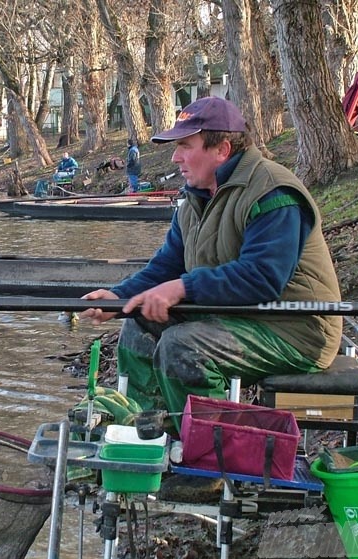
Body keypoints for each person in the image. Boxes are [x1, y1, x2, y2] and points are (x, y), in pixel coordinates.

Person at [81, 96, 342, 432]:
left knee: (183, 347)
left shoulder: (273, 191)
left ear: (223, 149)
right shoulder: (193, 198)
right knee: (137, 324)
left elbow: (261, 278)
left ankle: (208, 461)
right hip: (239, 316)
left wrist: (183, 288)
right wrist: (118, 299)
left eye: (186, 146)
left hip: (297, 330)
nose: (176, 157)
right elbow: (166, 267)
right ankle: (151, 437)